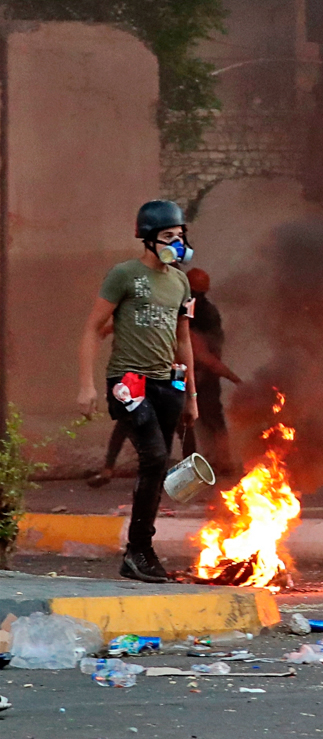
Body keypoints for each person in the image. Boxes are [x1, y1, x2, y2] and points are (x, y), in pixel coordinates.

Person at [77, 200, 199, 583]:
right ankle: (140, 550)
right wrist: (86, 386)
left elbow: (184, 341)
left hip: (168, 384)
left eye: (179, 236)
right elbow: (92, 329)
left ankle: (139, 551)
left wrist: (191, 396)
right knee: (155, 456)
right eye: (167, 236)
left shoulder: (181, 283)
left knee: (158, 465)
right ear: (147, 239)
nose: (175, 244)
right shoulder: (124, 275)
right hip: (129, 383)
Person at [180, 267, 241, 475]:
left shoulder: (194, 311)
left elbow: (205, 352)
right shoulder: (204, 310)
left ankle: (220, 461)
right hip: (194, 372)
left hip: (197, 372)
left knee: (203, 418)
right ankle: (218, 461)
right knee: (200, 419)